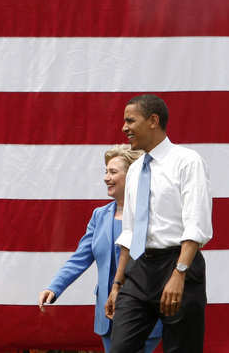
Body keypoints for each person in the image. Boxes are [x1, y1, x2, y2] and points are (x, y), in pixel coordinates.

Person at [105, 94, 213, 353]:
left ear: (153, 120)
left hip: (179, 265)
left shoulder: (187, 161)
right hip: (140, 268)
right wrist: (117, 284)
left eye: (130, 120)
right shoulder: (134, 170)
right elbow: (130, 232)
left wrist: (179, 274)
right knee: (120, 348)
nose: (124, 128)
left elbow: (196, 225)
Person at [38, 145, 162, 352]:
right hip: (108, 315)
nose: (106, 178)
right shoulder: (99, 215)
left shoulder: (152, 214)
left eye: (113, 172)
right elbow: (80, 257)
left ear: (132, 175)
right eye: (106, 171)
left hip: (143, 312)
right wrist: (54, 287)